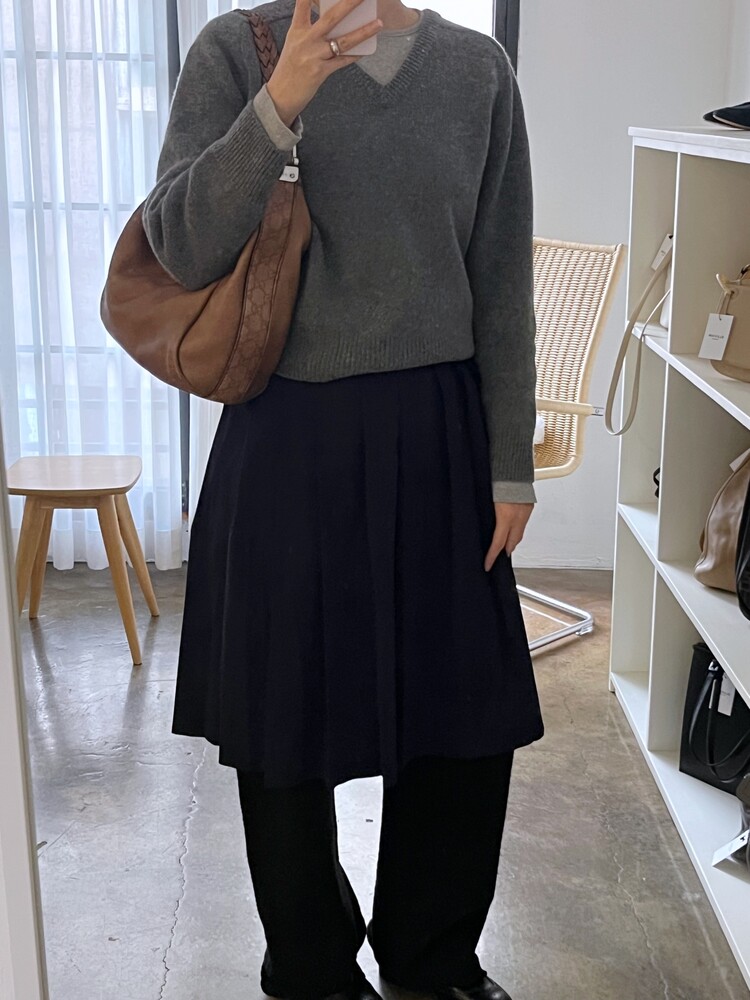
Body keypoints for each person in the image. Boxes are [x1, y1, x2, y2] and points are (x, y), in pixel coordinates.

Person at [143, 0, 544, 998]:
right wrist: (279, 103)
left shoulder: (477, 72)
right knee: (283, 717)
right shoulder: (236, 52)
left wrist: (510, 460)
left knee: (462, 710)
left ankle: (432, 958)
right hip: (286, 429)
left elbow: (501, 278)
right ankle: (311, 963)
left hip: (441, 434)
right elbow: (179, 243)